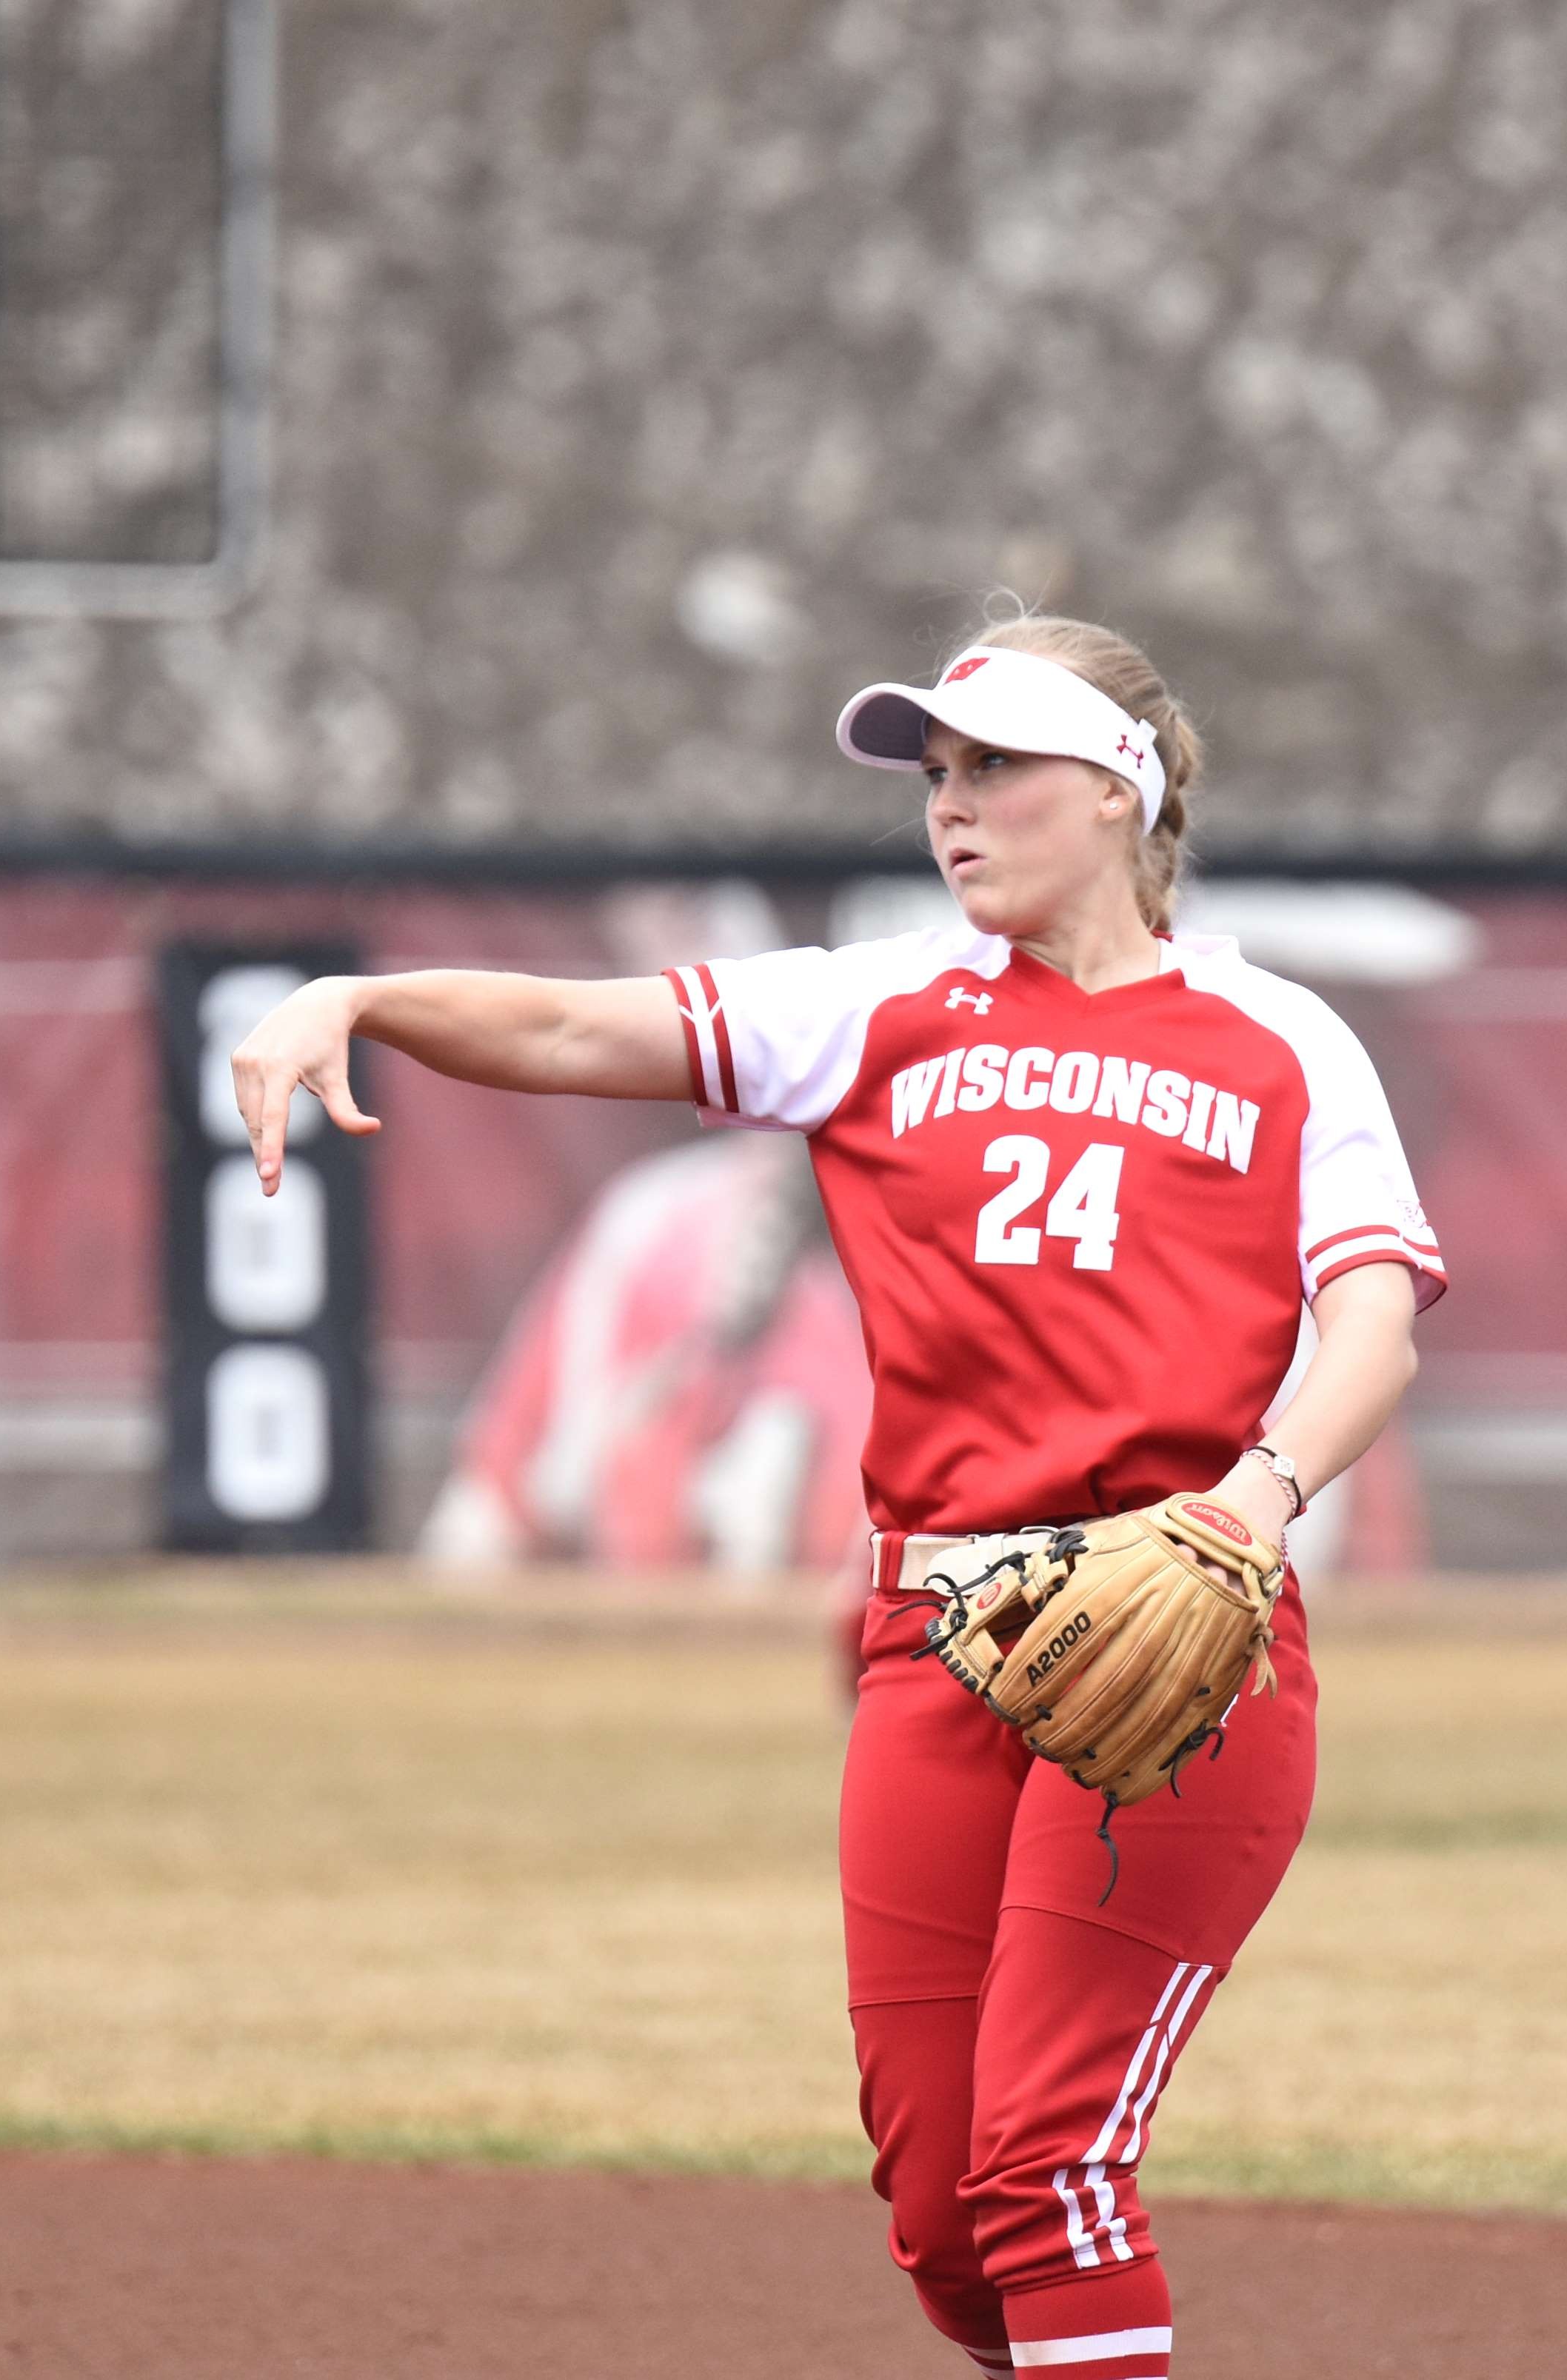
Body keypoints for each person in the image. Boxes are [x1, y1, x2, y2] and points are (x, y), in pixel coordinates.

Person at [230, 612, 1441, 2380]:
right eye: (935, 773)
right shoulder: (872, 1004)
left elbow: (1370, 1325)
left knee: (1043, 2165)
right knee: (947, 2220)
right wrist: (358, 1000)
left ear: (1118, 788)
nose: (949, 805)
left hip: (1173, 1629)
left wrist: (1252, 1503)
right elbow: (565, 1026)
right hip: (933, 1637)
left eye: (995, 767)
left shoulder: (1279, 1037)